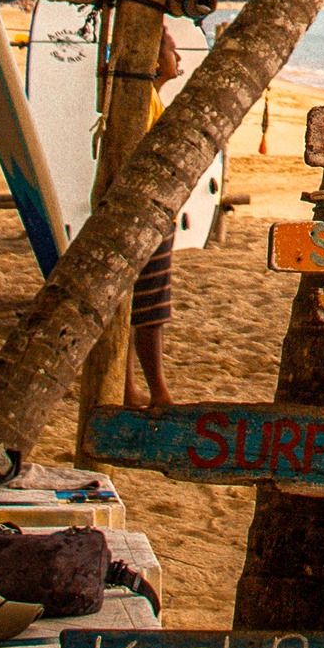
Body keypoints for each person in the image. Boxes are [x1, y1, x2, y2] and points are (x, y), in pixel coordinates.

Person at [125, 23, 184, 409]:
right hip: (146, 210)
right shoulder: (142, 100)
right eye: (171, 50)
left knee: (139, 303)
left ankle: (133, 388)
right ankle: (155, 391)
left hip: (148, 209)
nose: (177, 57)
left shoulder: (149, 98)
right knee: (148, 305)